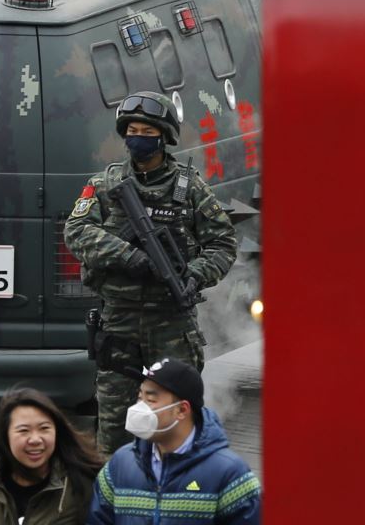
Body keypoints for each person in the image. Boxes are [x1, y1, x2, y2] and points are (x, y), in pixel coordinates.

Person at [64, 90, 237, 455]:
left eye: (147, 131)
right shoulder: (105, 185)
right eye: (133, 130)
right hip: (120, 322)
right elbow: (77, 232)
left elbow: (222, 244)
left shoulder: (190, 190)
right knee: (113, 430)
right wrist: (132, 256)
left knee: (180, 426)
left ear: (163, 136)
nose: (138, 138)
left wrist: (194, 274)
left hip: (171, 323)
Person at [87, 358, 261, 524]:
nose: (139, 408)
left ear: (182, 410)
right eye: (140, 398)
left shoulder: (228, 474)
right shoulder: (120, 464)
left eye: (151, 399)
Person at [0, 387, 105, 525]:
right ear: (5, 435)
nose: (35, 439)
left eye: (44, 428)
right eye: (23, 430)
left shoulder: (78, 481)